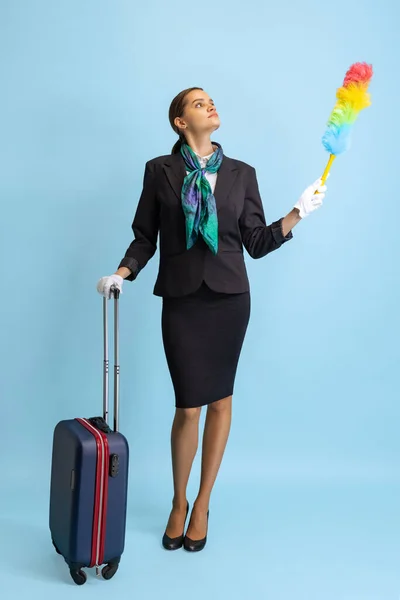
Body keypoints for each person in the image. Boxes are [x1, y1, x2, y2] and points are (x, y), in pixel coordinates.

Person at [97, 86, 327, 553]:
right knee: (188, 407)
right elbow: (145, 237)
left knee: (220, 401)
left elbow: (257, 242)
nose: (210, 106)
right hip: (182, 300)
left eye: (211, 101)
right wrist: (122, 274)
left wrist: (298, 212)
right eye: (199, 103)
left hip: (229, 301)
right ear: (180, 122)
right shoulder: (159, 171)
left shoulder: (243, 174)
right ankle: (178, 501)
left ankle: (202, 504)